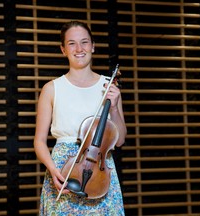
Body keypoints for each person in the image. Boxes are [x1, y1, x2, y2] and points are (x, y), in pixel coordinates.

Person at [33, 20, 127, 215]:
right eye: (71, 43)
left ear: (93, 46)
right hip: (64, 171)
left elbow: (120, 141)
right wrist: (53, 170)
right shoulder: (51, 89)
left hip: (101, 175)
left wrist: (115, 107)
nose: (79, 49)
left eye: (84, 42)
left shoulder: (108, 87)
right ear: (63, 50)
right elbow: (39, 141)